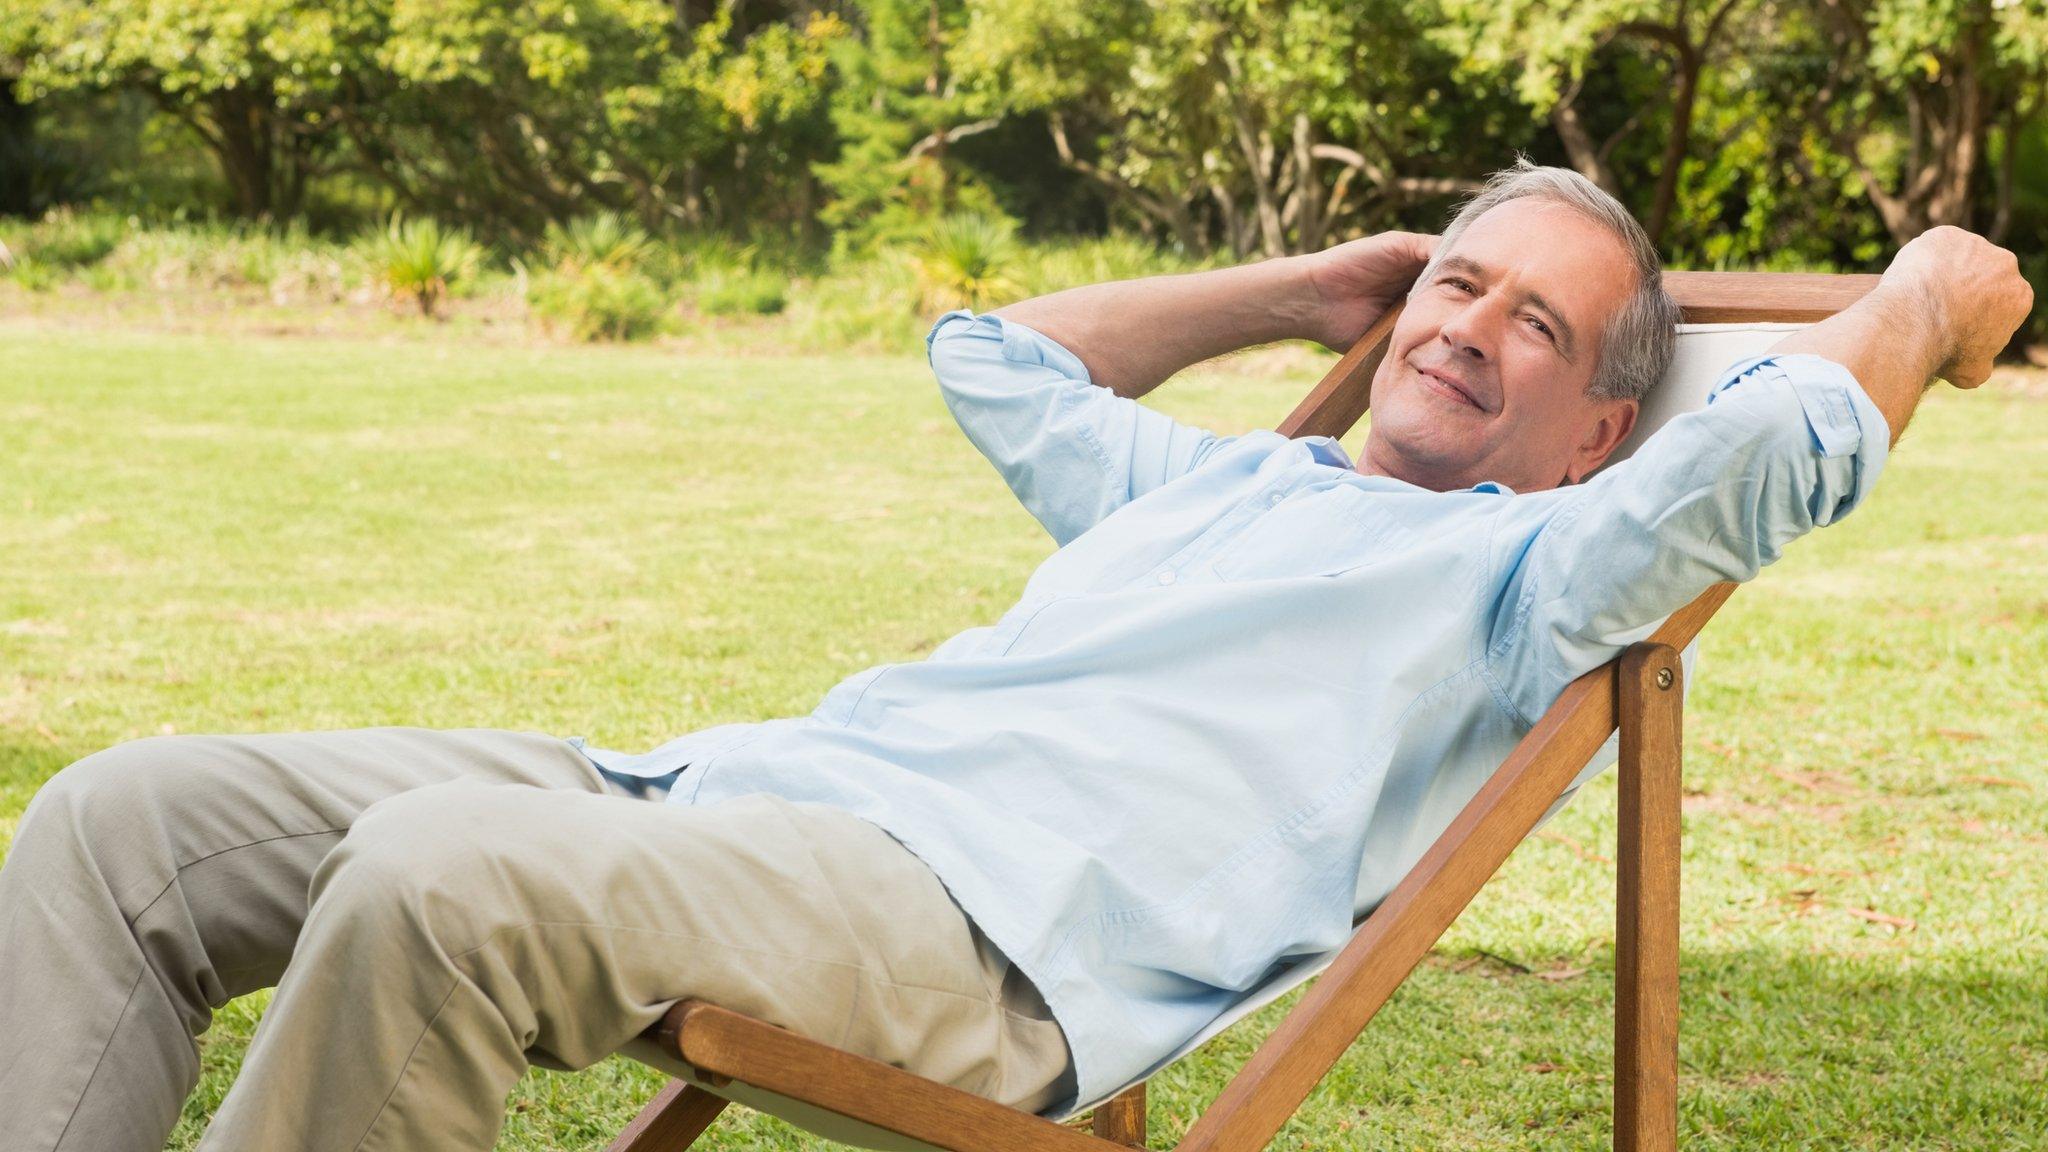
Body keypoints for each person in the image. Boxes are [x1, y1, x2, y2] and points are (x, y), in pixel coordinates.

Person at [0, 162, 2029, 1152]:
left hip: (964, 941)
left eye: (1537, 326)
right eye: (1455, 282)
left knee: (437, 888)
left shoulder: (1526, 587)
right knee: (117, 824)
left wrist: (1923, 287)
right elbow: (997, 352)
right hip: (724, 798)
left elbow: (1766, 455)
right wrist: (1308, 285)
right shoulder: (1225, 490)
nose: (1464, 323)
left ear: (1598, 428)